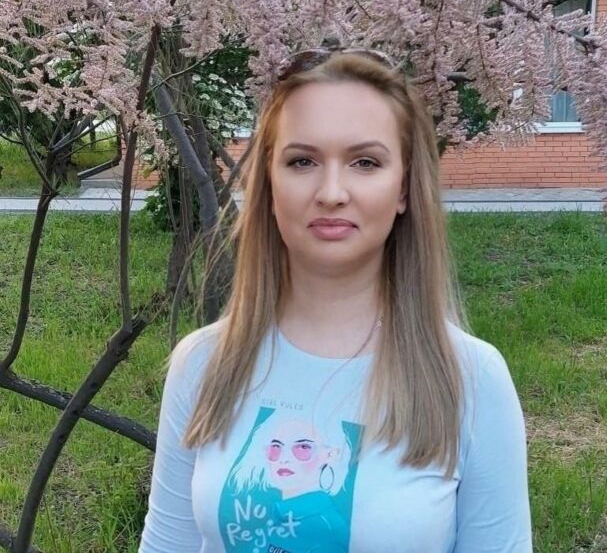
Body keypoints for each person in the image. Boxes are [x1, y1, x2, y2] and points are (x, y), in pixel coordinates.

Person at [139, 45, 532, 553]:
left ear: (404, 189)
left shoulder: (471, 379)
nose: (331, 192)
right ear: (270, 184)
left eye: (365, 162)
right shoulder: (204, 363)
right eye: (302, 161)